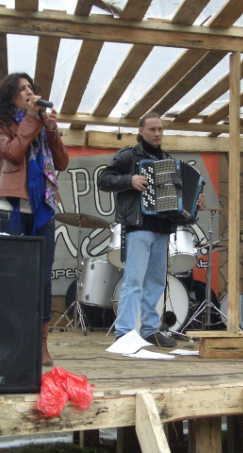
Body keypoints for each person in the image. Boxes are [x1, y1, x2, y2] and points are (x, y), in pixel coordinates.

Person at [98, 112, 203, 347]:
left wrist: (195, 201)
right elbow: (103, 179)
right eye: (152, 129)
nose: (157, 133)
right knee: (133, 280)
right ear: (141, 131)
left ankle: (149, 330)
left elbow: (178, 198)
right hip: (138, 226)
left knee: (156, 283)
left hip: (163, 229)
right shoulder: (129, 156)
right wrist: (130, 180)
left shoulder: (168, 159)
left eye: (160, 129)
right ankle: (124, 332)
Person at [0, 72, 69, 366]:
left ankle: (40, 343)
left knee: (42, 278)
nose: (29, 92)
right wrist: (32, 120)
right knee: (9, 277)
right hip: (10, 207)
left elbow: (62, 162)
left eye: (31, 87)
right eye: (22, 89)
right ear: (10, 95)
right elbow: (13, 152)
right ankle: (8, 339)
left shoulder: (41, 123)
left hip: (42, 207)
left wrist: (52, 129)